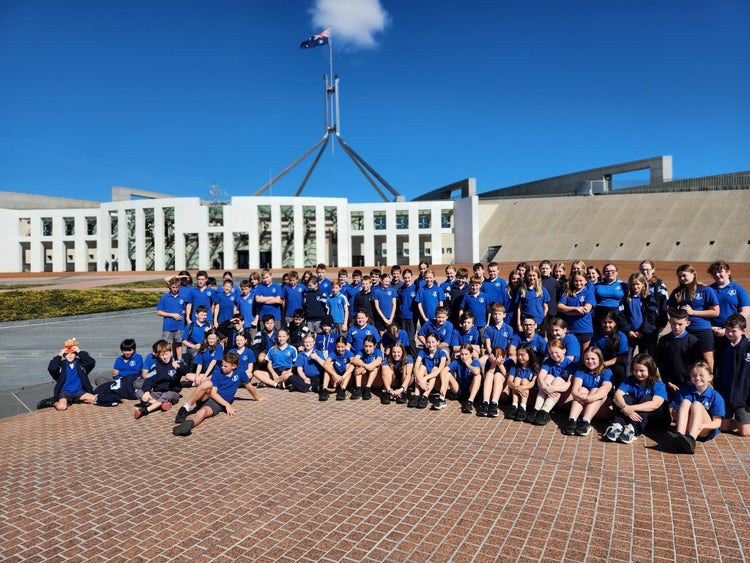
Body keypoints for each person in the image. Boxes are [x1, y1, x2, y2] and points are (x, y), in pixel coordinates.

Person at [172, 351, 266, 436]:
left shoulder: (240, 372)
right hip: (208, 397)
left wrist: (257, 397)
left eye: (225, 366)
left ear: (234, 366)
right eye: (222, 365)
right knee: (207, 383)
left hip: (217, 404)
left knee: (203, 412)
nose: (222, 367)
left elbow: (248, 385)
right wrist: (227, 404)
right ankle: (186, 407)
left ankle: (189, 425)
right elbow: (213, 393)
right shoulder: (218, 373)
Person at [603, 354, 668, 443]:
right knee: (625, 398)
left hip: (656, 420)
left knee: (646, 398)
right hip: (633, 416)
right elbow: (617, 395)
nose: (638, 373)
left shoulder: (658, 384)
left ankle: (633, 430)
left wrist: (630, 409)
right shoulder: (630, 380)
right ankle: (618, 426)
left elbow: (655, 404)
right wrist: (624, 407)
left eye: (642, 370)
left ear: (650, 370)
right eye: (635, 370)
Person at [664, 362, 725, 454]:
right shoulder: (684, 391)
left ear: (710, 377)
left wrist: (703, 426)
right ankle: (679, 435)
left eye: (701, 375)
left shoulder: (715, 396)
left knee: (696, 404)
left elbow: (717, 423)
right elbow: (673, 410)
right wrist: (675, 414)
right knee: (685, 402)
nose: (697, 378)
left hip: (703, 430)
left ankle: (691, 440)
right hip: (687, 427)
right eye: (694, 375)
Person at [667, 264, 720, 369]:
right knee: (685, 359)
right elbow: (669, 308)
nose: (682, 278)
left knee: (708, 360)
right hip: (685, 331)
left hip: (702, 330)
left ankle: (710, 383)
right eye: (679, 276)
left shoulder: (705, 290)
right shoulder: (677, 292)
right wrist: (678, 312)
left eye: (684, 275)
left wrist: (693, 312)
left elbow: (715, 312)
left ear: (693, 274)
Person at [562, 347, 614, 436]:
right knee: (582, 390)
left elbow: (606, 388)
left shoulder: (606, 371)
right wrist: (578, 395)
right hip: (585, 403)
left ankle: (586, 422)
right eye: (587, 359)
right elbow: (575, 388)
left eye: (593, 359)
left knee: (596, 390)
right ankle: (572, 420)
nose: (590, 361)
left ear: (599, 358)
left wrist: (592, 398)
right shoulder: (581, 370)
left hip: (602, 408)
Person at [656, 308, 703, 398]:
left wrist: (689, 382)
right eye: (674, 324)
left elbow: (697, 364)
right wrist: (667, 381)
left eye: (680, 324)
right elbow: (661, 362)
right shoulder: (664, 340)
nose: (676, 327)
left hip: (689, 385)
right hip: (670, 385)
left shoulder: (693, 341)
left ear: (687, 323)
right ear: (669, 322)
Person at [526, 338, 574, 426]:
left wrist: (552, 388)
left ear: (564, 351)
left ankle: (545, 411)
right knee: (548, 377)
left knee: (558, 380)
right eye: (551, 353)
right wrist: (546, 388)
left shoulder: (570, 364)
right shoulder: (548, 361)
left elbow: (568, 385)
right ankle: (536, 409)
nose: (554, 355)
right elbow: (540, 377)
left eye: (556, 352)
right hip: (548, 392)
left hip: (564, 395)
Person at [134, 340, 187, 419]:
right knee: (138, 392)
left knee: (167, 394)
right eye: (162, 355)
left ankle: (145, 410)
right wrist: (147, 392)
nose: (165, 357)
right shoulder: (156, 366)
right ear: (158, 355)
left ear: (171, 352)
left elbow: (185, 372)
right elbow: (149, 379)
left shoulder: (176, 363)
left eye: (166, 354)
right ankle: (161, 404)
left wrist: (178, 367)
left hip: (172, 393)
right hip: (158, 393)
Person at [717, 314, 750, 437]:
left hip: (743, 398)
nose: (730, 334)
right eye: (727, 330)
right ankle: (738, 422)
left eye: (734, 331)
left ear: (743, 331)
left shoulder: (748, 348)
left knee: (745, 432)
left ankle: (743, 422)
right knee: (724, 427)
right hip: (726, 394)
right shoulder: (723, 346)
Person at [43, 339, 97, 411]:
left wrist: (80, 352)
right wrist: (59, 355)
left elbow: (91, 362)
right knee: (62, 407)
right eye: (67, 354)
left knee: (93, 399)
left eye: (72, 353)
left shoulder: (81, 364)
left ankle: (75, 399)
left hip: (79, 392)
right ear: (64, 355)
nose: (70, 355)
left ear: (76, 354)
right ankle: (53, 402)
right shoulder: (61, 366)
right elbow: (51, 368)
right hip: (65, 392)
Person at [616, 272, 659, 357]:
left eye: (638, 284)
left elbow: (651, 317)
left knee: (644, 359)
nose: (635, 287)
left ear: (643, 284)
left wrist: (642, 331)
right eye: (633, 284)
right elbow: (620, 315)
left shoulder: (649, 298)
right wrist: (628, 330)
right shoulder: (625, 299)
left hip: (645, 334)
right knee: (627, 358)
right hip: (630, 334)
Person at [433, 344, 481, 411]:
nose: (463, 357)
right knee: (447, 374)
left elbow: (477, 371)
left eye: (466, 354)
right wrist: (443, 385)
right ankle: (442, 399)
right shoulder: (457, 361)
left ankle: (470, 402)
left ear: (471, 354)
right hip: (459, 390)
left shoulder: (475, 362)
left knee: (478, 376)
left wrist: (467, 364)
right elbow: (444, 370)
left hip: (471, 390)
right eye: (462, 354)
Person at [409, 332, 448, 409]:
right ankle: (417, 395)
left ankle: (425, 396)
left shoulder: (442, 353)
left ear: (437, 342)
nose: (431, 344)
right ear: (426, 343)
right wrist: (420, 380)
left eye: (433, 342)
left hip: (436, 381)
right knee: (422, 367)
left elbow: (440, 369)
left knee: (435, 369)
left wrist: (425, 378)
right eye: (428, 342)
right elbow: (416, 367)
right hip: (424, 383)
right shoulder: (422, 352)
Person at [557, 272, 595, 349]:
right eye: (576, 281)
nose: (578, 283)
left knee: (584, 355)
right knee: (570, 351)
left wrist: (567, 310)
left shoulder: (589, 293)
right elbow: (560, 306)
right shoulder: (568, 293)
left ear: (586, 281)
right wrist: (575, 309)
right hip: (569, 329)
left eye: (581, 280)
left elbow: (585, 310)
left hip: (584, 329)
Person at [591, 310, 629, 386]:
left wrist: (604, 364)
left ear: (615, 323)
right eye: (604, 322)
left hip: (615, 364)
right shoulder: (596, 336)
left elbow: (622, 357)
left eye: (610, 322)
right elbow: (592, 352)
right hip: (599, 363)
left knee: (619, 369)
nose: (607, 325)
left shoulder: (621, 336)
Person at [639, 260, 669, 353]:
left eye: (647, 269)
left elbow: (664, 304)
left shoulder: (659, 284)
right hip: (639, 320)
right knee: (642, 350)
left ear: (653, 270)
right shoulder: (636, 283)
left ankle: (651, 367)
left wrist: (663, 322)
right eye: (643, 270)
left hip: (653, 322)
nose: (645, 272)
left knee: (651, 349)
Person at [505, 343, 539, 422]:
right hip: (518, 392)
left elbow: (533, 383)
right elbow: (509, 381)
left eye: (522, 355)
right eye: (518, 355)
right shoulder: (515, 367)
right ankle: (515, 406)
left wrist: (522, 388)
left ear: (529, 354)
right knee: (517, 379)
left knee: (524, 381)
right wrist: (517, 388)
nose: (520, 357)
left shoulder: (534, 367)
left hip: (530, 395)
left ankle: (523, 407)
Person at [156, 277, 186, 357]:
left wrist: (180, 316)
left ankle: (179, 360)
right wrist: (172, 315)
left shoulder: (182, 297)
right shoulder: (165, 298)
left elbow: (184, 310)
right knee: (167, 344)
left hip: (179, 325)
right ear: (170, 287)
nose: (175, 289)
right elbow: (159, 312)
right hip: (168, 325)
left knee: (179, 343)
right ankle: (170, 360)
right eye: (173, 287)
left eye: (176, 287)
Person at [516, 265, 550, 332]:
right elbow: (519, 308)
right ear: (526, 276)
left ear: (538, 276)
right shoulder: (522, 290)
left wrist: (545, 323)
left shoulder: (542, 290)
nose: (532, 278)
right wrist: (519, 324)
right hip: (526, 323)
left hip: (539, 322)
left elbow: (546, 308)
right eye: (529, 275)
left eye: (534, 275)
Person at [476, 347, 508, 418]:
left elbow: (507, 377)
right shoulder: (489, 361)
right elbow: (486, 375)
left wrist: (500, 365)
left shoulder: (509, 361)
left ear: (504, 356)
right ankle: (485, 402)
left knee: (498, 375)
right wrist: (493, 364)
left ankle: (494, 404)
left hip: (503, 392)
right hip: (490, 391)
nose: (497, 360)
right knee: (489, 374)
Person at [350, 335, 383, 400]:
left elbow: (379, 361)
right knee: (358, 366)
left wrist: (365, 367)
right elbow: (354, 360)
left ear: (375, 345)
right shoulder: (362, 351)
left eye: (370, 346)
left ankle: (368, 389)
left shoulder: (378, 351)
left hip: (376, 382)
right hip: (365, 379)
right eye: (366, 346)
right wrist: (365, 366)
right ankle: (358, 389)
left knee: (375, 367)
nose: (368, 349)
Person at [326, 336, 355, 401]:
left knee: (349, 365)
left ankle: (343, 389)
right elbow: (325, 364)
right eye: (338, 347)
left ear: (345, 346)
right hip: (336, 380)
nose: (340, 349)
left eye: (342, 347)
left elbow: (353, 364)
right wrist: (336, 376)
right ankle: (324, 389)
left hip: (346, 379)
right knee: (329, 365)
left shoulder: (349, 353)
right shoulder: (333, 353)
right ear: (335, 346)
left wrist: (343, 377)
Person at [398, 268, 419, 355]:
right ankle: (404, 355)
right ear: (403, 278)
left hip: (412, 316)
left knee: (410, 338)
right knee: (403, 338)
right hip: (402, 316)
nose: (407, 279)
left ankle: (414, 356)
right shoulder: (400, 290)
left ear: (412, 277)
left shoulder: (416, 288)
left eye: (408, 277)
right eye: (405, 278)